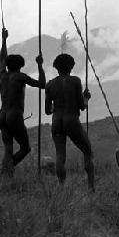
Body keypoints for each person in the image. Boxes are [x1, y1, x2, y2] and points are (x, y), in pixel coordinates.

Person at [0, 28, 46, 175]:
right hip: (14, 115)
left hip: (2, 116)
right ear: (21, 65)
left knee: (8, 149)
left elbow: (1, 59)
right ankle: (6, 170)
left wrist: (4, 40)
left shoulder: (2, 75)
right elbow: (42, 84)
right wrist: (40, 66)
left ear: (7, 65)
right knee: (25, 148)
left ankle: (6, 175)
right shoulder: (21, 77)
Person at [45, 53, 94, 191]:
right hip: (71, 120)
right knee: (87, 151)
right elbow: (81, 106)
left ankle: (61, 187)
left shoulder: (49, 85)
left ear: (56, 67)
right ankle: (91, 188)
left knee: (60, 156)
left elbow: (48, 110)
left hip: (57, 122)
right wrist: (86, 98)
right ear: (71, 66)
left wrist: (57, 106)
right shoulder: (75, 81)